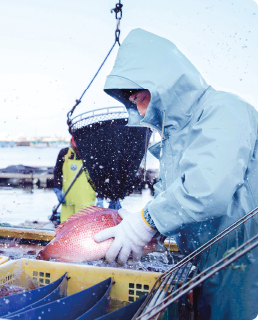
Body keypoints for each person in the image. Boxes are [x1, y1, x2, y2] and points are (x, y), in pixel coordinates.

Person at [94, 28, 258, 319]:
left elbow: (208, 190)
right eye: (132, 102)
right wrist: (154, 230)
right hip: (202, 257)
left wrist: (146, 221)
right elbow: (171, 197)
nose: (139, 110)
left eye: (140, 96)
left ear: (163, 85)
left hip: (239, 258)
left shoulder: (224, 109)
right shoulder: (173, 139)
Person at [52, 137, 103, 223]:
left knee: (84, 229)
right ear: (71, 142)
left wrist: (100, 197)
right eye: (75, 147)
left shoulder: (92, 155)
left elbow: (100, 177)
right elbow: (57, 173)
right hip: (67, 203)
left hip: (86, 204)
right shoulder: (64, 153)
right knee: (65, 229)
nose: (77, 150)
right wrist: (57, 189)